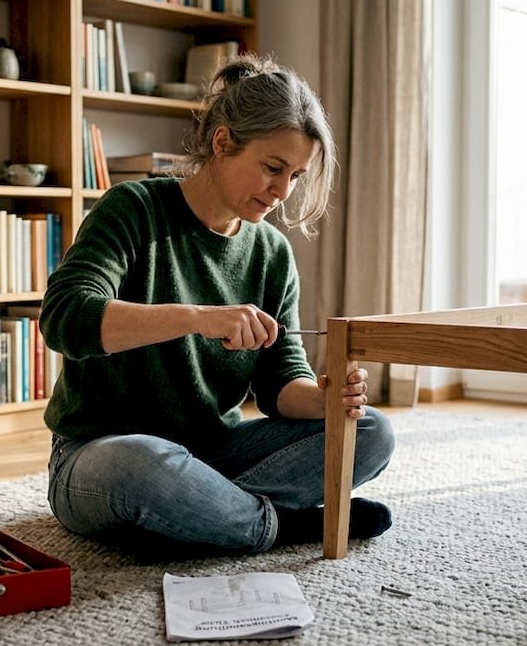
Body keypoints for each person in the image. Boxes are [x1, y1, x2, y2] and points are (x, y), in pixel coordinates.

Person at [39, 55, 395, 555]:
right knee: (143, 463)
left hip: (213, 455)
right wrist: (197, 317)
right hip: (99, 457)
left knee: (372, 431)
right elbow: (64, 319)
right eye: (273, 168)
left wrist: (324, 401)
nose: (282, 191)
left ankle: (196, 516)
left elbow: (278, 383)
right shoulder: (132, 209)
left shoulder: (271, 252)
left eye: (295, 176)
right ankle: (285, 526)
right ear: (222, 142)